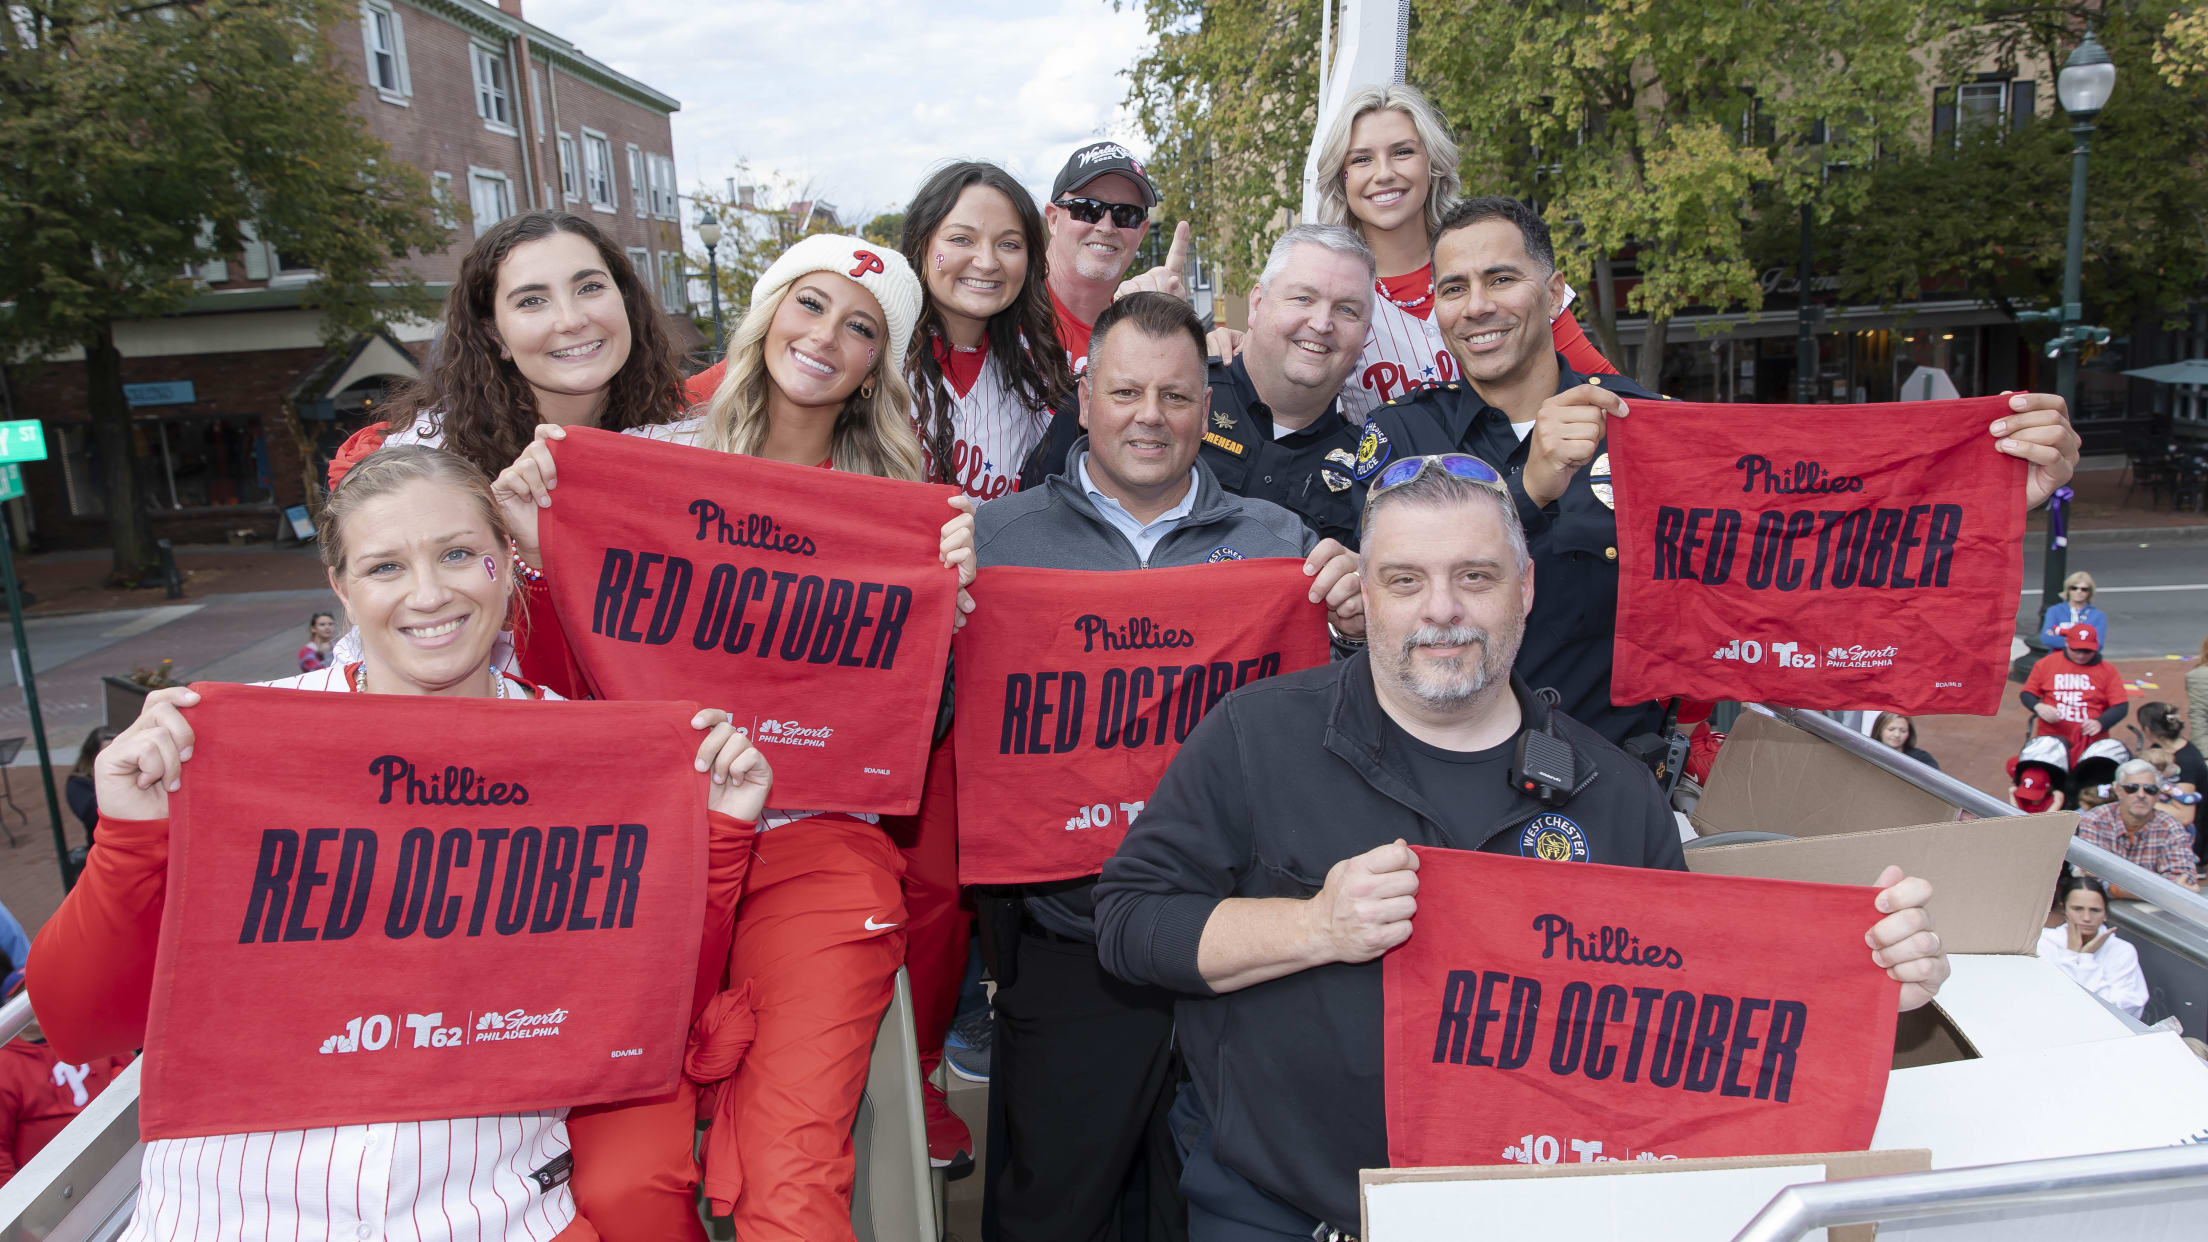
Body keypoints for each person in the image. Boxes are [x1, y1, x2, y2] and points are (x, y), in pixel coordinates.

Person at [1091, 458, 1952, 1239]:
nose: (1441, 609)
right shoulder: (1255, 736)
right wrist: (1315, 928)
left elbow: (1691, 1029)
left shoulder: (1614, 795)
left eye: (1475, 576)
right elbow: (1131, 926)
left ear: (1526, 588)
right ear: (1369, 593)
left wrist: (1864, 981)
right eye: (1405, 580)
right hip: (1282, 1216)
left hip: (1538, 1217)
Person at [25, 445, 768, 1242]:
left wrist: (720, 838)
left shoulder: (590, 753)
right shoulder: (238, 746)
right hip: (234, 1210)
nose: (428, 593)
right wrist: (130, 835)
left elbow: (646, 1012)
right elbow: (80, 1022)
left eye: (457, 553)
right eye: (385, 567)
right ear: (341, 588)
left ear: (506, 562)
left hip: (494, 1210)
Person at [495, 232, 978, 1242]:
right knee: (627, 1185)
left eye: (860, 328)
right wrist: (536, 541)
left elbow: (915, 727)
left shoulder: (902, 514)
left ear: (874, 367)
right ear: (767, 319)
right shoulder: (647, 464)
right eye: (809, 306)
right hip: (648, 846)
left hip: (818, 842)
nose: (826, 337)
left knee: (789, 1176)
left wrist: (944, 614)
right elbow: (562, 655)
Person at [1363, 196, 2083, 748]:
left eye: (1501, 278)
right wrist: (1530, 491)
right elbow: (1362, 612)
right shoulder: (1397, 437)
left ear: (1553, 297)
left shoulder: (1657, 431)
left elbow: (1803, 546)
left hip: (1610, 787)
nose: (1476, 305)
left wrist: (1984, 498)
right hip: (1435, 776)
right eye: (1453, 288)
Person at [972, 292, 1365, 1242]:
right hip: (1071, 940)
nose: (1151, 416)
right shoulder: (995, 542)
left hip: (1237, 949)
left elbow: (1338, 726)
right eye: (1127, 392)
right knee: (1055, 1214)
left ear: (1207, 409)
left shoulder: (1279, 546)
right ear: (1085, 396)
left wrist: (1353, 629)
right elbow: (943, 724)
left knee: (1209, 1212)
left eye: (1178, 397)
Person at [887, 159, 1077, 1175]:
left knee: (960, 881)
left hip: (998, 667)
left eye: (1008, 242)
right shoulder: (868, 352)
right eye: (962, 236)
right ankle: (907, 1077)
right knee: (910, 883)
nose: (984, 259)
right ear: (923, 241)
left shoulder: (1045, 378)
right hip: (881, 665)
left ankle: (932, 1061)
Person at [324, 209, 691, 695]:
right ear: (495, 334)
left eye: (589, 287)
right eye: (532, 300)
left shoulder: (693, 444)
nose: (571, 320)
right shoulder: (427, 467)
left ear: (625, 300)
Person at [1211, 85, 1615, 421]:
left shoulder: (1497, 269)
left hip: (1525, 491)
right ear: (1342, 176)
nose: (1384, 173)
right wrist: (1223, 346)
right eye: (1362, 159)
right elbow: (1273, 397)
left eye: (1402, 152)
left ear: (1431, 164)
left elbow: (1609, 390)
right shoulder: (1334, 294)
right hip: (1388, 503)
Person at [1023, 224, 1373, 544]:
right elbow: (1030, 518)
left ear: (1366, 332)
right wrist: (1133, 339)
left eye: (1347, 310)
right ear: (1257, 303)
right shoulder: (1148, 397)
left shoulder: (1369, 465)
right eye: (1303, 298)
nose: (1322, 323)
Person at [1043, 141, 1186, 376]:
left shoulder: (1139, 332)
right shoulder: (1002, 310)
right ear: (1053, 220)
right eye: (1087, 208)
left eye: (1126, 214)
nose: (1107, 227)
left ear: (1141, 232)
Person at [0, 983, 132, 1189]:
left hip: (123, 1151)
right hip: (58, 1188)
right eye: (23, 998)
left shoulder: (85, 1027)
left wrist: (115, 1077)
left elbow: (132, 1072)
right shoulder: (5, 1064)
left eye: (38, 994)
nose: (34, 1005)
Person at [2074, 758, 2200, 898]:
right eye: (2132, 788)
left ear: (2158, 795)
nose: (2141, 795)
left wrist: (2114, 884)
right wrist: (2163, 892)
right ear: (2118, 790)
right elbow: (2092, 882)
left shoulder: (2170, 826)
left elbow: (2184, 881)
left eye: (2150, 790)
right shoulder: (2095, 820)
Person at [2036, 874, 2149, 1018]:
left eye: (2095, 910)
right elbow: (2052, 998)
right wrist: (2071, 954)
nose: (2086, 918)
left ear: (2106, 914)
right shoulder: (2044, 942)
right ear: (2064, 909)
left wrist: (2085, 959)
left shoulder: (2122, 950)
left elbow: (2125, 1008)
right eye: (2078, 909)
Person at [2021, 623, 2129, 743]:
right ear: (2067, 644)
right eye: (2076, 650)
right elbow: (2027, 693)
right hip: (2051, 737)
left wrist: (2101, 722)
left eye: (2087, 651)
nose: (2081, 656)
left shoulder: (2108, 670)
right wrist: (2038, 707)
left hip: (2090, 739)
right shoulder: (2046, 664)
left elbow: (2120, 706)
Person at [64, 727, 115, 841]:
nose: (117, 756)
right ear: (92, 755)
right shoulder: (78, 782)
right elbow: (92, 817)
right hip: (106, 846)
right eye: (108, 752)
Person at [2038, 571, 2109, 650]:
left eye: (2084, 589)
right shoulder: (2054, 611)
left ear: (2090, 592)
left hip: (2086, 660)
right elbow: (2047, 639)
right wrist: (2085, 641)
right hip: (2058, 658)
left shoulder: (2098, 615)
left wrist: (2062, 634)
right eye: (2074, 588)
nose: (2078, 592)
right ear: (2068, 590)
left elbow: (2098, 645)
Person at [1873, 711, 1941, 771]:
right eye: (1891, 729)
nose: (1897, 735)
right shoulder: (1868, 756)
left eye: (1903, 731)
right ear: (1879, 730)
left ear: (1909, 733)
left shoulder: (1922, 759)